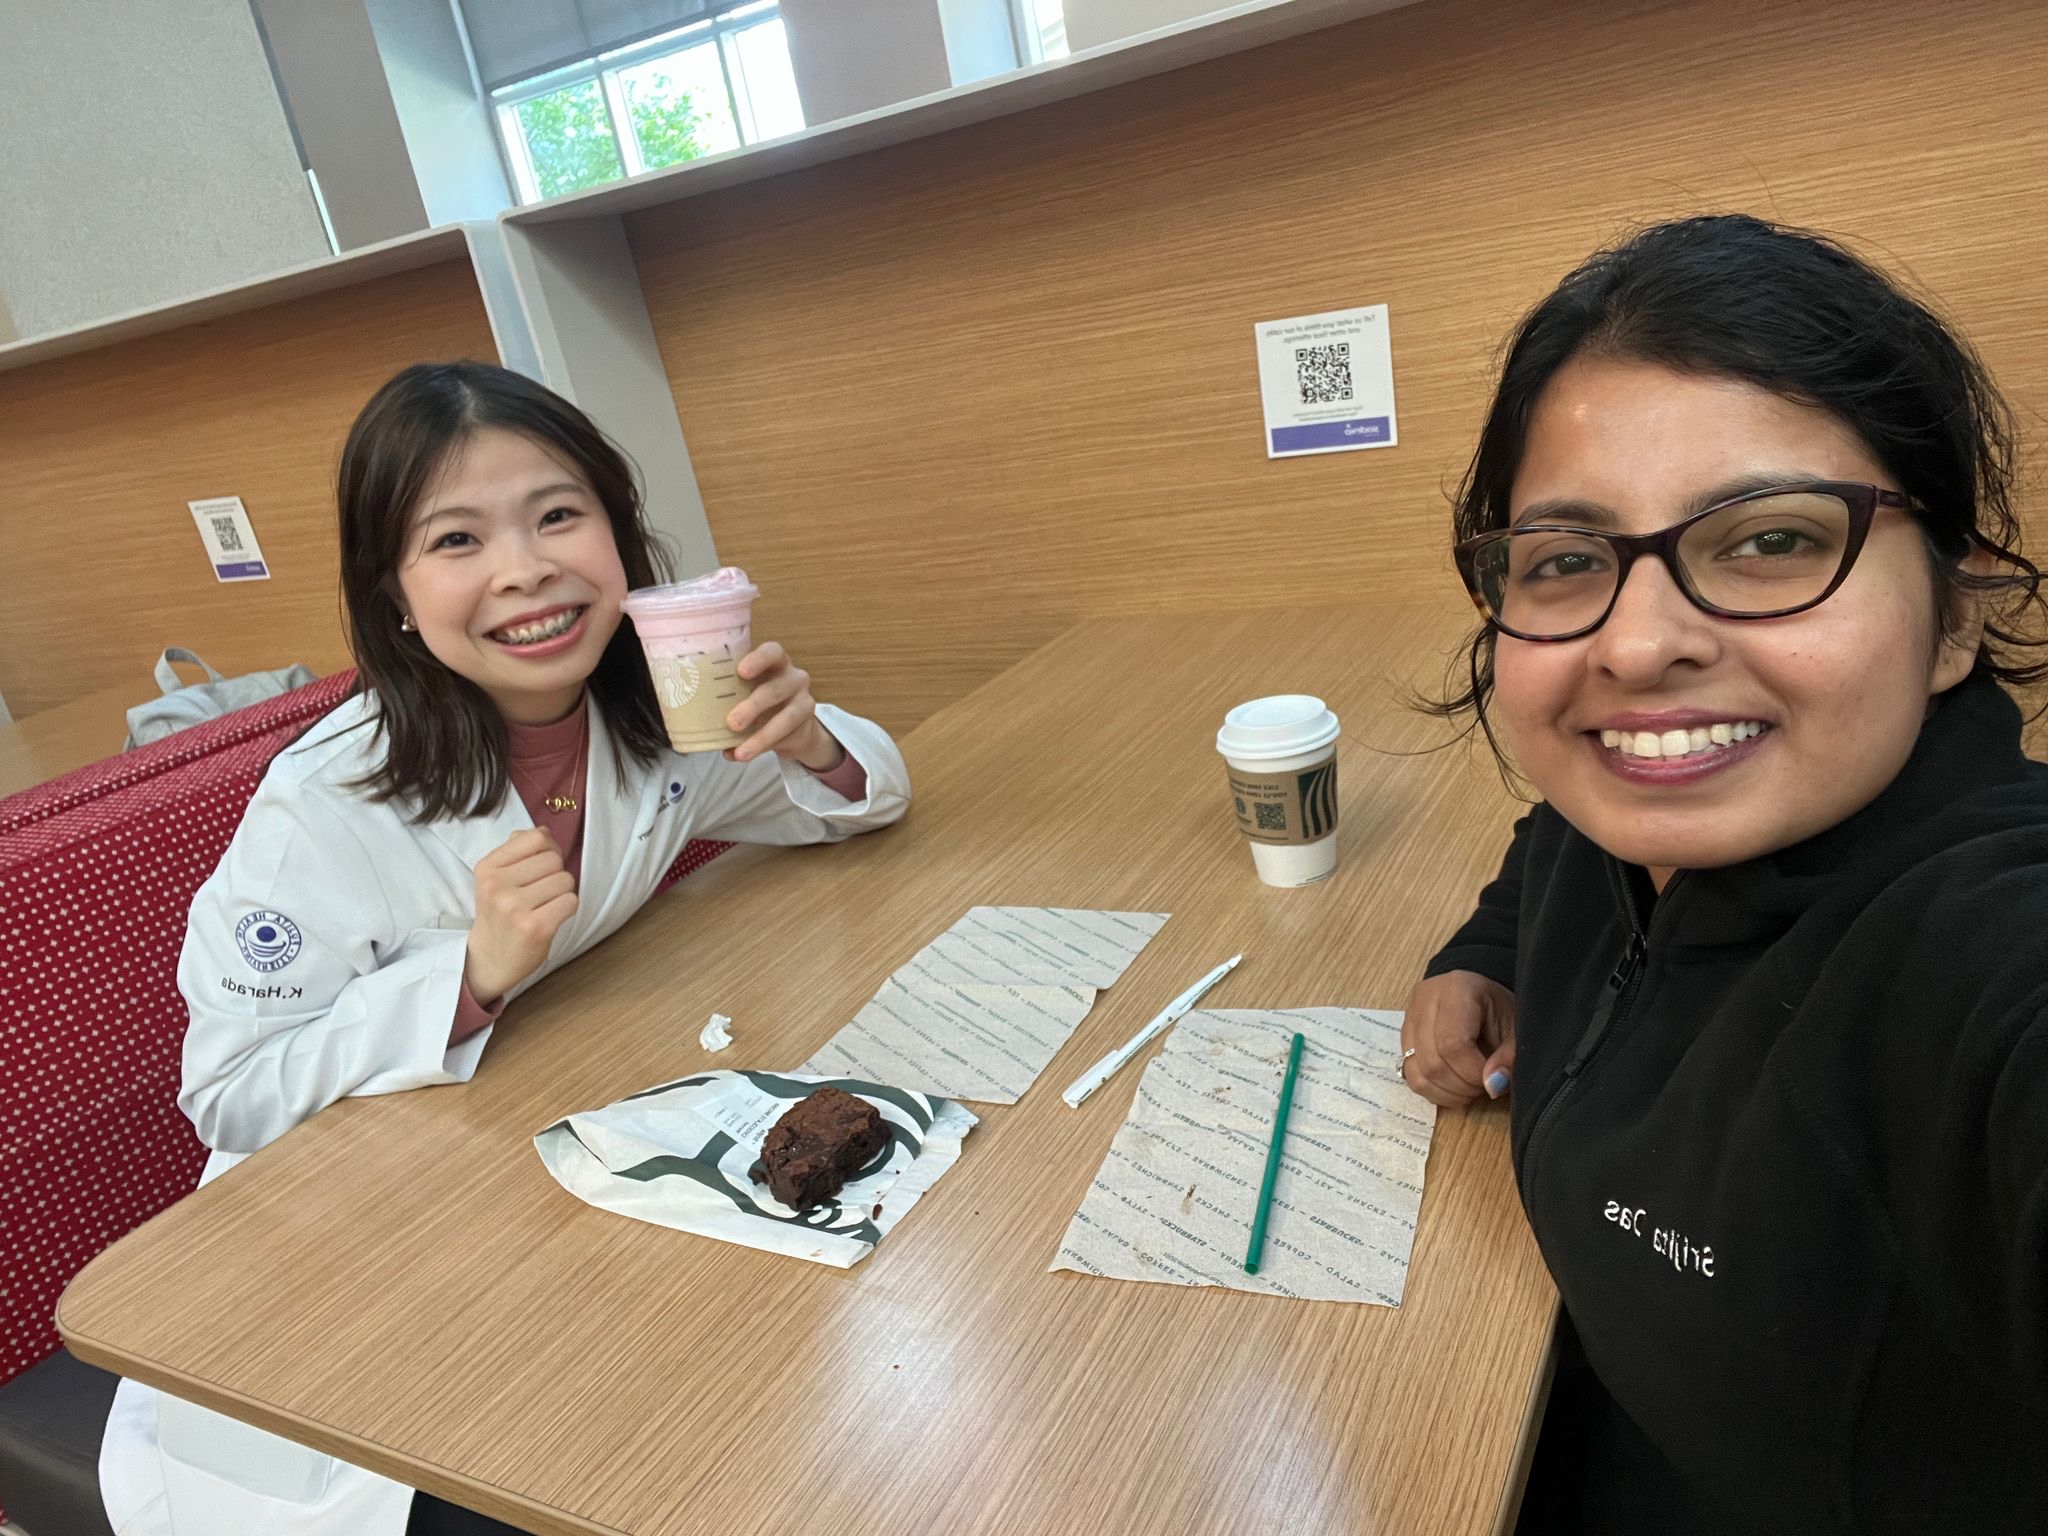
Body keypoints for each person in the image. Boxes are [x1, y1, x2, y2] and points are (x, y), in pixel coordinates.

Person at [99, 361, 911, 1536]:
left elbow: (844, 809)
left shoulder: (646, 718)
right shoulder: (321, 807)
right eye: (457, 539)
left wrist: (811, 744)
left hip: (546, 1161)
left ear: (619, 541)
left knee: (766, 1405)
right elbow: (228, 1094)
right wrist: (468, 978)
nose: (524, 569)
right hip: (347, 1250)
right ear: (392, 594)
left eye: (557, 515)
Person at [1400, 215, 2048, 1533]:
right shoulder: (1635, 808)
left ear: (1955, 613)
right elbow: (1551, 841)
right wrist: (1485, 952)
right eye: (1566, 561)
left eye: (1770, 542)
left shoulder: (1976, 952)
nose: (1636, 648)